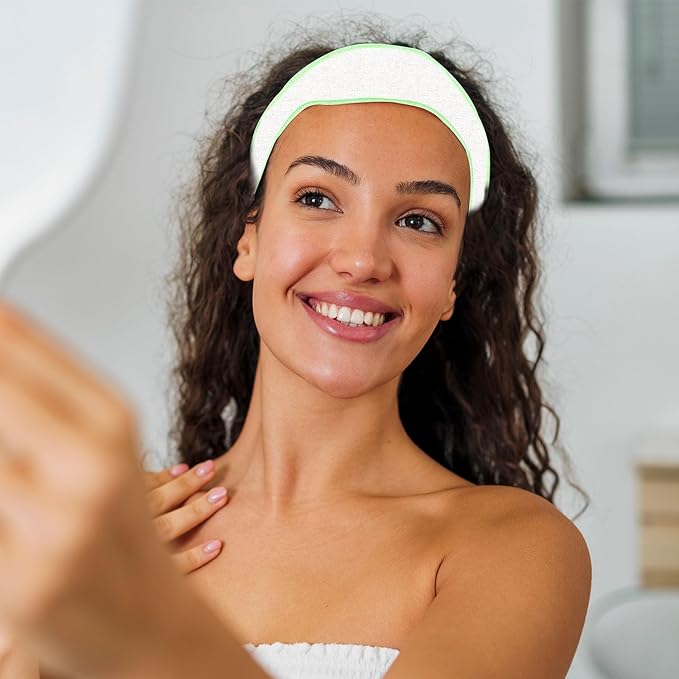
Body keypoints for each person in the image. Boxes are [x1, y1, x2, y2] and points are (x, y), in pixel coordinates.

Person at [0, 19, 592, 679]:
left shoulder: (512, 548)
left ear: (452, 283)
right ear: (247, 240)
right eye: (316, 198)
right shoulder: (104, 548)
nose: (363, 259)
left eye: (419, 220)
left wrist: (145, 617)